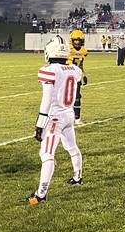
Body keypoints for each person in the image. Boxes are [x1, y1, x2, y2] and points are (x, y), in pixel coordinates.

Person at [23, 38, 83, 205]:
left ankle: (41, 195)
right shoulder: (75, 69)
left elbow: (47, 99)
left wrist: (40, 124)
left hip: (55, 117)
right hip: (69, 114)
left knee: (47, 154)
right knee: (71, 146)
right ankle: (77, 177)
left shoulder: (49, 70)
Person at [67, 30, 88, 125]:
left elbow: (81, 64)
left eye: (78, 40)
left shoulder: (83, 50)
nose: (77, 42)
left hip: (77, 76)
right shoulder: (68, 49)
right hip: (67, 76)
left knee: (77, 97)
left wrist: (84, 74)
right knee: (66, 97)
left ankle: (77, 118)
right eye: (75, 40)